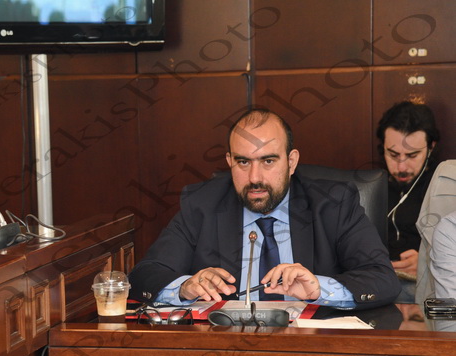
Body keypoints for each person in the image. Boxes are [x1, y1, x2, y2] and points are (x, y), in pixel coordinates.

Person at [129, 108, 401, 310]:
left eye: (268, 161)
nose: (255, 178)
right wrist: (184, 287)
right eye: (243, 162)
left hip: (312, 347)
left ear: (291, 162)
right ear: (229, 161)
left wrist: (320, 288)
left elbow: (382, 279)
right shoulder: (202, 204)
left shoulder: (333, 204)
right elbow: (145, 275)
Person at [376, 101, 441, 303]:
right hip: (376, 281)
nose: (402, 166)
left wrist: (428, 261)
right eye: (393, 154)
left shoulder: (443, 187)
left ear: (430, 147)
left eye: (412, 155)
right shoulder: (372, 185)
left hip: (424, 285)